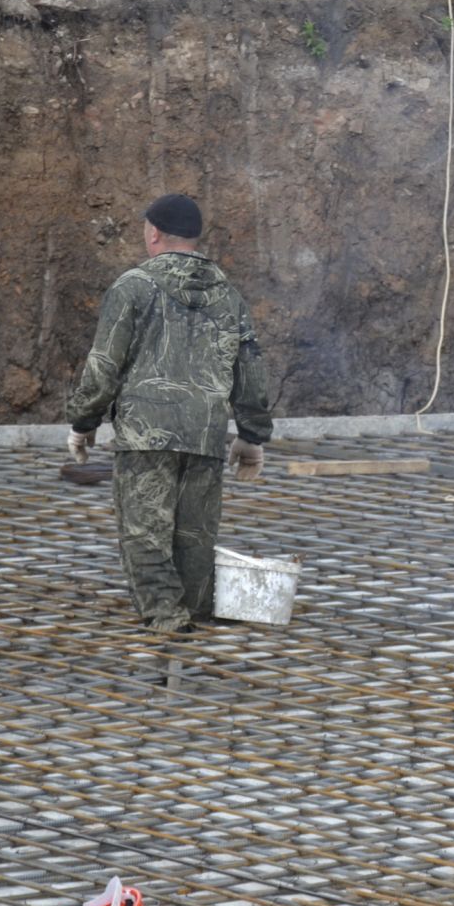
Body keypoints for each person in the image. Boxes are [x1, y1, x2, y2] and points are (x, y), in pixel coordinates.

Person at [64, 194, 273, 633]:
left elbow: (104, 365)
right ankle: (196, 610)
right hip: (204, 433)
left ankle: (167, 618)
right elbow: (250, 368)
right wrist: (251, 436)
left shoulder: (132, 288)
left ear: (154, 233)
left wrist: (84, 423)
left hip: (146, 434)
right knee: (195, 536)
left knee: (146, 532)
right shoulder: (228, 295)